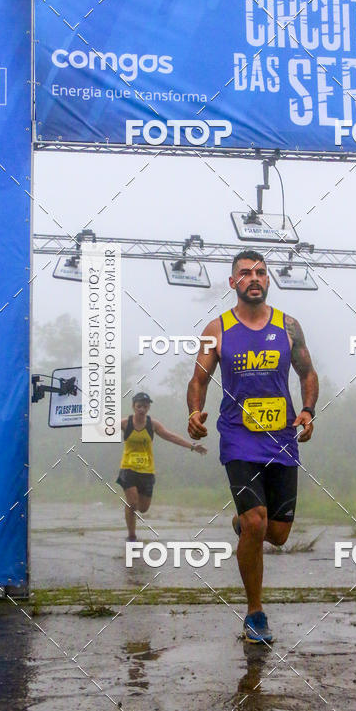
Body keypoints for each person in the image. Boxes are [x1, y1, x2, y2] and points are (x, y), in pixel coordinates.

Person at [187, 250, 319, 644]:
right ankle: (255, 614)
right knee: (257, 521)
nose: (254, 278)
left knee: (277, 534)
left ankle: (242, 525)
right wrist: (194, 412)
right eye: (245, 273)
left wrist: (308, 410)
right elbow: (198, 379)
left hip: (281, 438)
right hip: (238, 436)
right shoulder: (218, 328)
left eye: (260, 272)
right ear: (233, 283)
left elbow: (307, 373)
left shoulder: (289, 326)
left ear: (268, 280)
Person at [117, 392, 206, 542]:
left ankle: (132, 513)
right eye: (139, 406)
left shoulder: (152, 424)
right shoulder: (125, 423)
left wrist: (192, 446)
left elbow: (170, 436)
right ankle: (131, 535)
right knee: (132, 503)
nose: (142, 409)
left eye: (145, 406)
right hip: (128, 468)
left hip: (147, 471)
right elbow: (103, 428)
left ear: (148, 407)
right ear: (133, 406)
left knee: (143, 508)